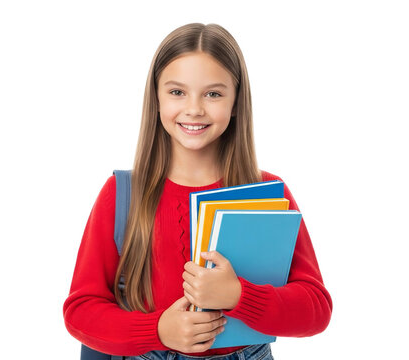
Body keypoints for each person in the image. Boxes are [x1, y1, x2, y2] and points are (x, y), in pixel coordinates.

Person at [63, 23, 332, 360]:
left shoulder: (268, 195)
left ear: (236, 103)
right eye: (177, 92)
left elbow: (316, 310)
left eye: (213, 94)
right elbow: (81, 311)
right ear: (156, 99)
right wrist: (158, 330)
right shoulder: (121, 194)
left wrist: (239, 296)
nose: (194, 109)